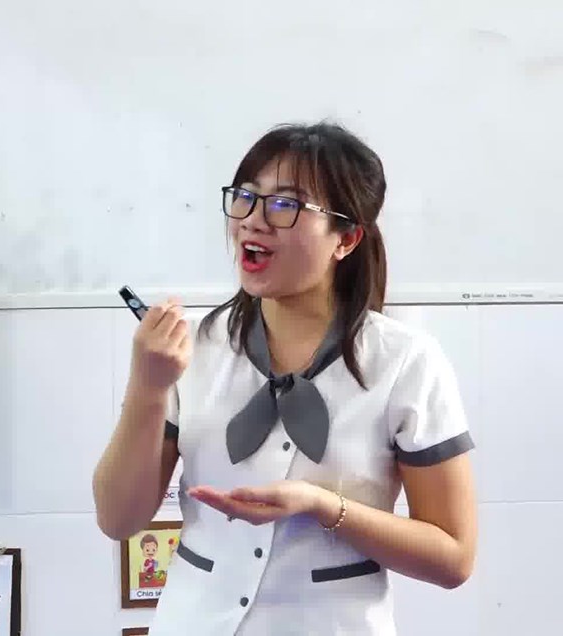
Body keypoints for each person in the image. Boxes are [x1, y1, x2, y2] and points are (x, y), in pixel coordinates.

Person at [92, 121, 477, 635]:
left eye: (285, 205)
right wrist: (148, 386)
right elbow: (118, 519)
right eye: (245, 197)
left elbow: (453, 557)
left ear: (346, 239)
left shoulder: (406, 362)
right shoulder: (191, 349)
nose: (253, 220)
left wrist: (325, 507)